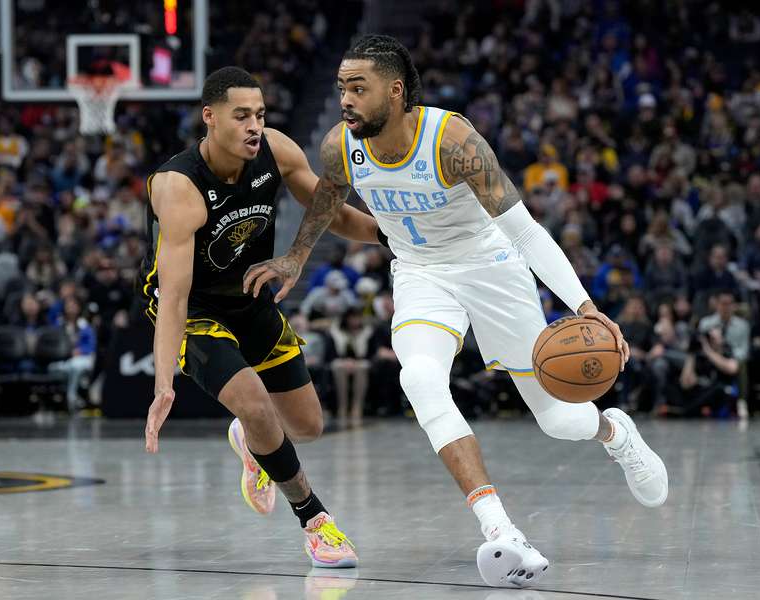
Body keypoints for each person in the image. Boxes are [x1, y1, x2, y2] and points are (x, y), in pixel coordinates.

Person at [243, 35, 668, 589]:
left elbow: (526, 232)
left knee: (561, 421)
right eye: (341, 87)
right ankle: (502, 533)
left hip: (490, 266)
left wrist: (586, 307)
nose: (345, 98)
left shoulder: (453, 140)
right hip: (420, 273)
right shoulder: (339, 144)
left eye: (357, 87)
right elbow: (329, 197)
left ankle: (615, 433)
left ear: (395, 91)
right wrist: (298, 255)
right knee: (418, 376)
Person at [139, 66, 383, 568]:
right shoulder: (179, 186)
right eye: (241, 115)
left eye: (260, 114)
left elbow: (331, 212)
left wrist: (392, 237)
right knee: (252, 399)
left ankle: (252, 443)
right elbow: (176, 293)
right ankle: (316, 521)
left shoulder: (276, 150)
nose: (255, 125)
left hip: (249, 296)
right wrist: (165, 382)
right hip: (193, 309)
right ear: (210, 117)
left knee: (308, 425)